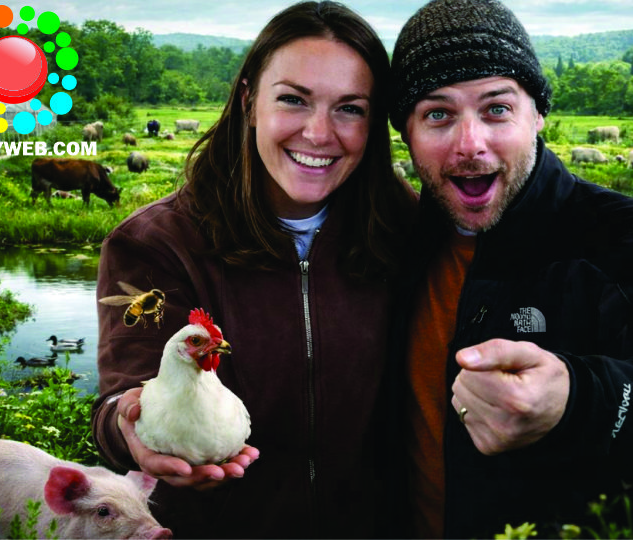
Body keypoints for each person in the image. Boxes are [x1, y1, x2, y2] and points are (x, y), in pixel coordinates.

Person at [387, 0, 633, 537]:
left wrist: (578, 400)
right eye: (437, 114)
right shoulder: (395, 245)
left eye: (497, 109)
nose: (470, 144)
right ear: (406, 133)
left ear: (538, 115)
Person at [91, 2, 416, 538]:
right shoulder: (154, 245)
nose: (319, 133)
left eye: (350, 108)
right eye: (293, 99)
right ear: (248, 101)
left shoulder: (406, 230)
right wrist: (123, 426)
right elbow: (127, 389)